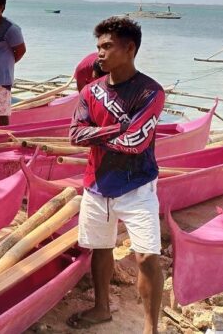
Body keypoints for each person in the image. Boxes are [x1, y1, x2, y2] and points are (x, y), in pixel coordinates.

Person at [67, 17, 165, 333]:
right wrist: (116, 129)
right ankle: (101, 308)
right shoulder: (90, 91)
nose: (100, 54)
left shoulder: (151, 91)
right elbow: (74, 135)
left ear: (130, 48)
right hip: (97, 183)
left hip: (137, 185)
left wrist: (99, 133)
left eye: (107, 46)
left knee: (147, 256)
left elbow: (135, 142)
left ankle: (150, 328)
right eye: (98, 47)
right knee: (100, 247)